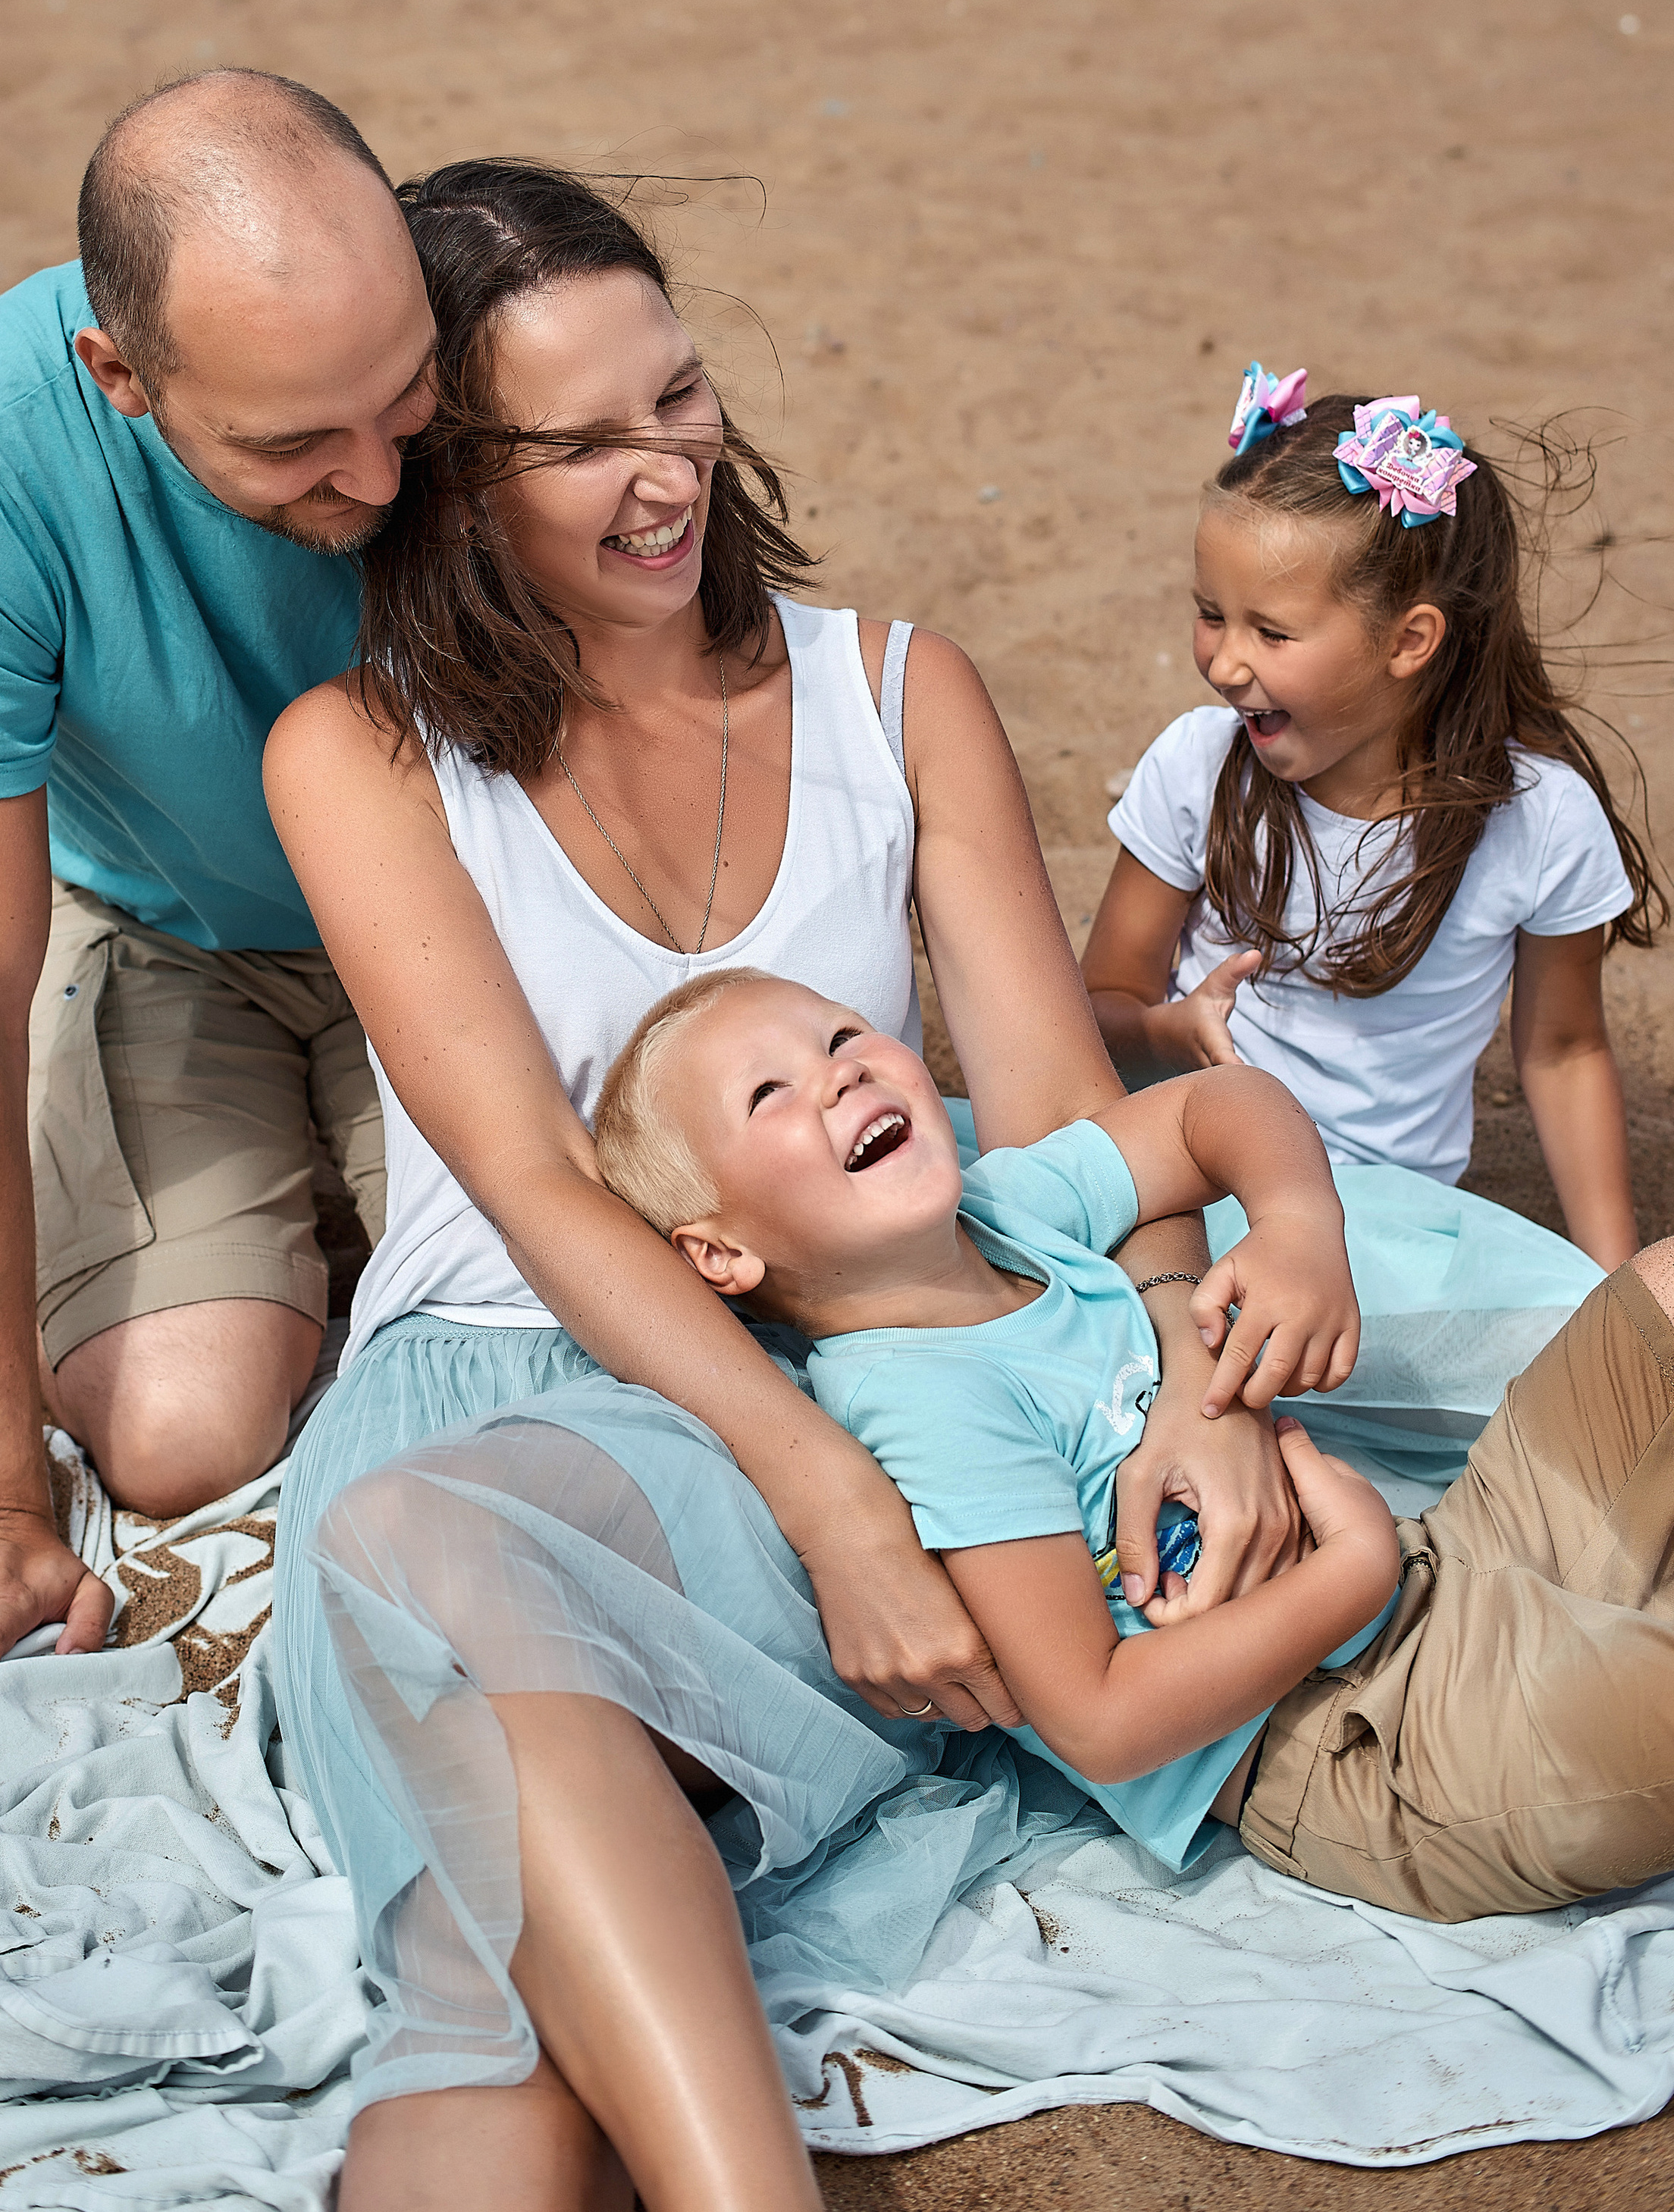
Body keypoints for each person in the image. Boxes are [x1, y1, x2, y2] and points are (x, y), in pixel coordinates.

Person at [263, 161, 1359, 2210]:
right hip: (522, 1388)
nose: (666, 471)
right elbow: (526, 1179)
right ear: (451, 480)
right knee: (486, 1877)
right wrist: (822, 1490)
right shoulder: (363, 753)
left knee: (510, 1916)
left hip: (862, 1378)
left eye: (676, 399)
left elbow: (1055, 1129)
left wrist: (1187, 1384)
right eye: (580, 441)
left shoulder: (890, 690)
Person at [596, 965, 1674, 1925]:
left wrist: (1296, 1219)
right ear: (722, 1251)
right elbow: (1100, 1718)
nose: (838, 1074)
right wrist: (1354, 1572)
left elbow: (1214, 1104)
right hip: (1375, 1745)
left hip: (1456, 1564)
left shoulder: (1008, 1209)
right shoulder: (924, 1400)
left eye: (840, 1037)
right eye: (768, 1091)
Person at [0, 67, 438, 1695]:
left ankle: (324, 1210)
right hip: (174, 936)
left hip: (464, 921)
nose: (377, 483)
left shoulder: (483, 328)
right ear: (120, 376)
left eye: (404, 399)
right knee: (181, 1433)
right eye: (293, 443)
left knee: (567, 1338)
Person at [1083, 367, 1663, 1267]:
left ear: (1408, 641)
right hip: (1194, 1185)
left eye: (1270, 633)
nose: (1226, 664)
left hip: (1386, 1235)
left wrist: (1610, 1282)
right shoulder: (1199, 766)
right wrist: (1166, 1029)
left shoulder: (1539, 820)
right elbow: (1100, 1001)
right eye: (1209, 615)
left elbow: (1562, 1050)